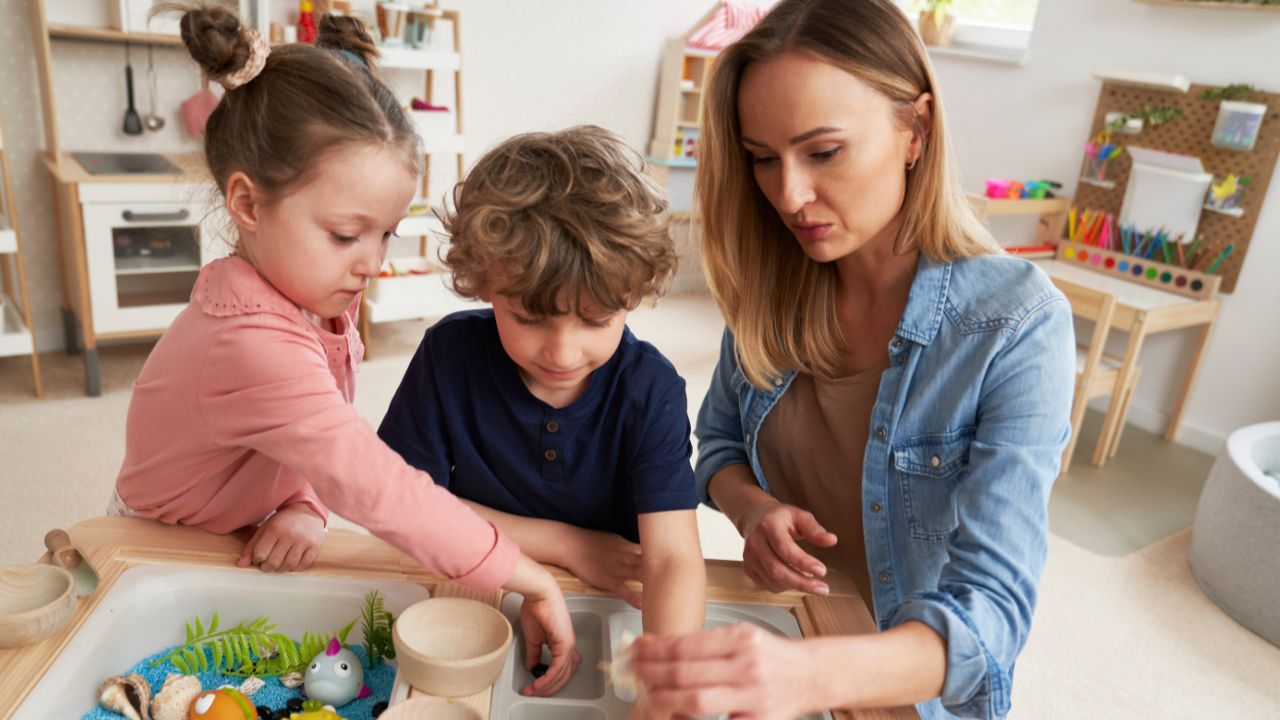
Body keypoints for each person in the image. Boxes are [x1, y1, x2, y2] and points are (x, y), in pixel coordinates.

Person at [113, 4, 578, 696]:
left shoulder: (317, 292)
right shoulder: (247, 343)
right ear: (245, 203)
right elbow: (371, 480)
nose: (372, 264)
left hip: (244, 520)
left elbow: (307, 435)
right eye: (345, 235)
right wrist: (525, 572)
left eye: (385, 235)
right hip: (160, 540)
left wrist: (302, 503)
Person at [628, 1, 1074, 719]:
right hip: (796, 633)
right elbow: (717, 448)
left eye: (824, 152)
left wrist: (809, 677)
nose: (789, 196)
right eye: (763, 160)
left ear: (915, 131)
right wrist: (755, 510)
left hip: (895, 688)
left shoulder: (1016, 323)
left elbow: (993, 615)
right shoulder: (769, 286)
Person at [377, 126, 707, 665]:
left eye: (597, 320)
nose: (562, 352)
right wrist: (569, 544)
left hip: (603, 605)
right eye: (530, 318)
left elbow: (673, 558)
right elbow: (404, 506)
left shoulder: (651, 390)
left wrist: (669, 678)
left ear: (633, 298)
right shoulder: (448, 355)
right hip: (472, 582)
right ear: (485, 283)